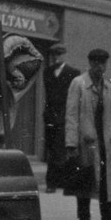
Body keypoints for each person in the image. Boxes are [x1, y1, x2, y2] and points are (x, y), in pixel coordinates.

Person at [64, 48, 111, 220]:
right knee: (85, 176)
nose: (100, 67)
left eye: (103, 63)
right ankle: (83, 216)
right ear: (90, 64)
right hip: (87, 139)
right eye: (97, 63)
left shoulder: (108, 87)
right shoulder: (78, 83)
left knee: (107, 181)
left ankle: (110, 218)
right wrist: (71, 142)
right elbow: (71, 114)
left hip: (105, 140)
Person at [42, 43, 79, 193]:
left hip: (65, 116)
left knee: (60, 149)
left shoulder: (73, 73)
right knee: (52, 148)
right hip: (51, 116)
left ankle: (54, 182)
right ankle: (55, 181)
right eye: (54, 55)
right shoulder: (47, 72)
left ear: (64, 55)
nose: (56, 58)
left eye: (59, 54)